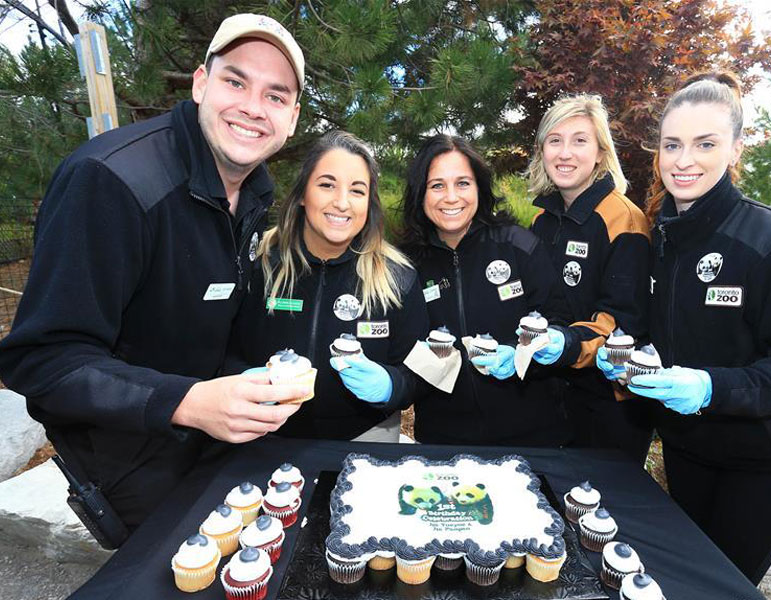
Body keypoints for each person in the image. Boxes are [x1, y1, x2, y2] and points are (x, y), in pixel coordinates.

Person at [0, 14, 311, 533]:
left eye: (275, 96)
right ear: (201, 83)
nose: (253, 108)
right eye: (236, 81)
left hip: (214, 454)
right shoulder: (110, 181)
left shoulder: (256, 190)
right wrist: (186, 402)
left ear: (292, 117)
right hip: (132, 466)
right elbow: (42, 360)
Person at [616, 72, 771, 584]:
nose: (683, 160)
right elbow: (671, 331)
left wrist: (710, 386)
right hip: (690, 450)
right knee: (682, 579)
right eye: (671, 145)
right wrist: (631, 354)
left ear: (735, 150)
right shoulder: (662, 240)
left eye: (705, 144)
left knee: (720, 586)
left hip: (765, 462)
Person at [224, 131, 428, 441]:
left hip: (368, 437)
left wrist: (391, 385)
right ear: (303, 194)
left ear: (369, 203)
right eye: (327, 185)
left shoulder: (397, 278)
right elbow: (221, 349)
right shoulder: (259, 264)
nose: (342, 202)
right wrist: (241, 380)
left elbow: (416, 372)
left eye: (357, 191)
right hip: (265, 435)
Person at [399, 134, 573, 446]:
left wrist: (528, 355)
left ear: (479, 187)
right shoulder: (406, 265)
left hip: (534, 435)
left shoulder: (519, 245)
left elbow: (559, 321)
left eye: (463, 183)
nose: (451, 197)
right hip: (444, 438)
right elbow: (400, 349)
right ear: (420, 194)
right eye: (437, 185)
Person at [526, 93, 653, 464]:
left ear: (600, 152)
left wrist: (564, 343)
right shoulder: (541, 220)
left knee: (602, 514)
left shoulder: (624, 220)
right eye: (555, 141)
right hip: (549, 394)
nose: (565, 153)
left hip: (608, 404)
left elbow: (622, 325)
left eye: (579, 141)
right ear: (542, 151)